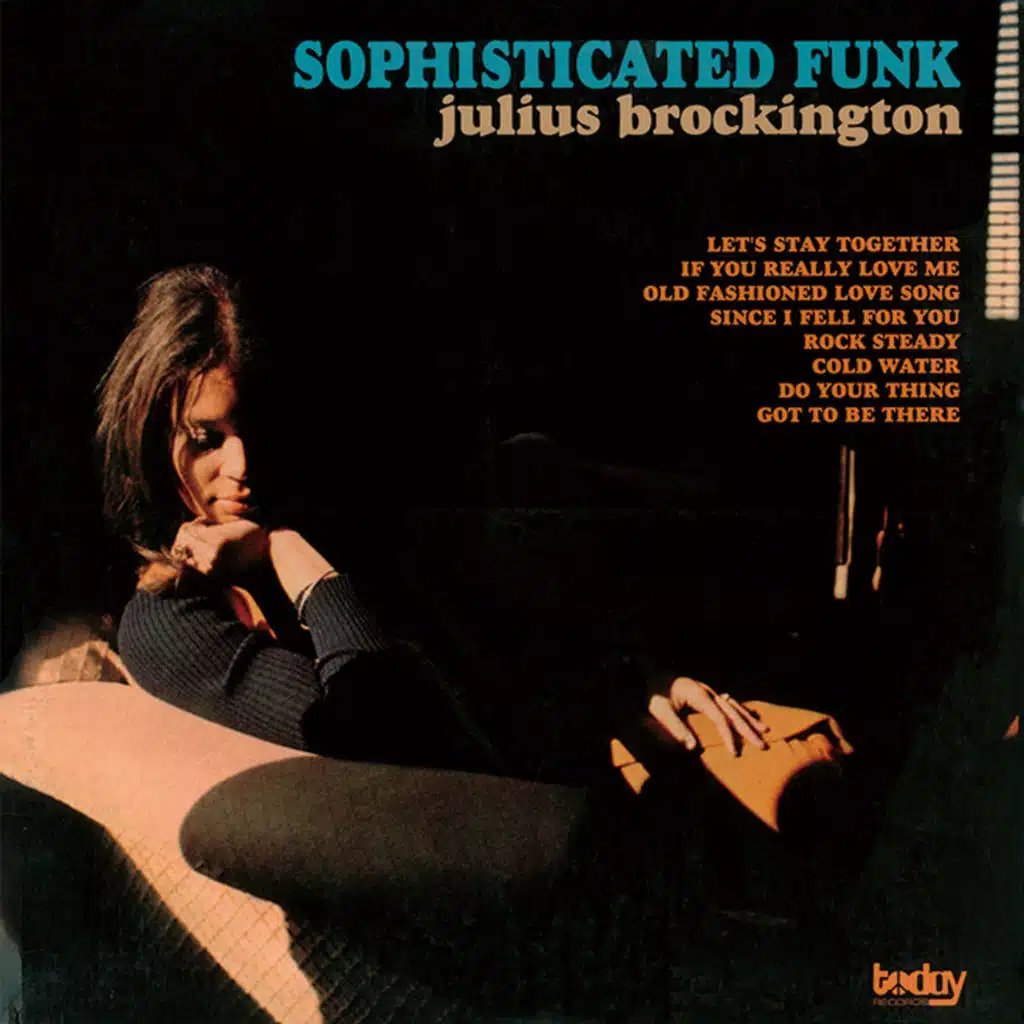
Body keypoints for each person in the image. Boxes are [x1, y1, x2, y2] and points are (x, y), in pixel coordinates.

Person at [97, 264, 769, 781]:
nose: (242, 465)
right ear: (153, 443)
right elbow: (386, 734)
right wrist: (293, 556)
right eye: (206, 439)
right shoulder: (169, 621)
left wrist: (638, 683)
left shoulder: (348, 526)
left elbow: (501, 672)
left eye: (255, 427)